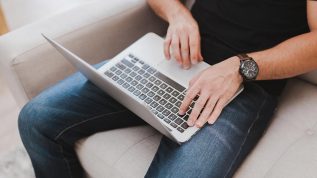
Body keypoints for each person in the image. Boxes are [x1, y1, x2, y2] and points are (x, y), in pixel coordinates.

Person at [18, 0, 317, 177]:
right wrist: (178, 15)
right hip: (176, 60)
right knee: (35, 118)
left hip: (244, 85)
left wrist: (239, 68)